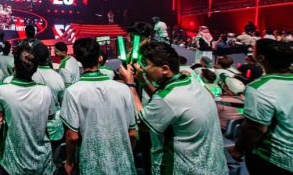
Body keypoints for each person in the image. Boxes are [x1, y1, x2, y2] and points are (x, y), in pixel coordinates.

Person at [118, 41, 228, 175]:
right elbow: (168, 106)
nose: (142, 68)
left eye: (145, 64)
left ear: (164, 69)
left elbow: (143, 123)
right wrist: (144, 81)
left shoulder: (167, 98)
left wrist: (130, 84)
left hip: (182, 169)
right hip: (211, 166)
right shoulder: (191, 81)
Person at [60, 38, 136, 175]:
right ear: (99, 57)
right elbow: (132, 133)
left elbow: (72, 136)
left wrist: (69, 162)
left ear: (78, 58)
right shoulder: (123, 89)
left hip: (92, 165)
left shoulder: (73, 92)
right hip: (123, 164)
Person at [231, 39, 293, 174]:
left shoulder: (259, 88)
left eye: (253, 50)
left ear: (260, 58)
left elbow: (254, 128)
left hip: (274, 159)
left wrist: (238, 150)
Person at [0, 43, 55, 175]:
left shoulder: (2, 90)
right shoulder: (46, 91)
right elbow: (50, 116)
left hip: (14, 163)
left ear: (15, 66)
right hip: (42, 162)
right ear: (35, 69)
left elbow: (2, 116)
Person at [31, 43, 66, 166]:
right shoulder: (57, 77)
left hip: (35, 125)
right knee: (55, 159)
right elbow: (63, 102)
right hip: (54, 125)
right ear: (48, 58)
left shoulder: (30, 76)